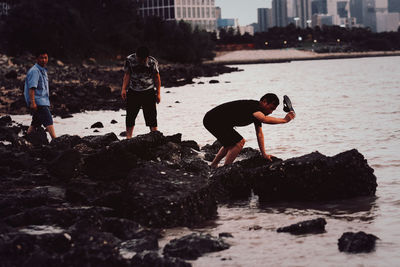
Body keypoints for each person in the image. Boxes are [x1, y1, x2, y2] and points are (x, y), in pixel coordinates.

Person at [203, 93, 295, 168]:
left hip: (215, 120)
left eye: (273, 110)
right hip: (213, 119)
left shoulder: (258, 112)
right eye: (271, 108)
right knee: (239, 142)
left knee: (230, 143)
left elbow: (259, 134)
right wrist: (284, 120)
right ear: (264, 102)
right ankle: (226, 169)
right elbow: (264, 119)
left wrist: (264, 154)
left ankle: (213, 166)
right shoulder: (254, 107)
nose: (271, 112)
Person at [121, 46, 161, 139]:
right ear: (136, 56)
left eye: (144, 59)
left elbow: (157, 77)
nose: (142, 61)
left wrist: (158, 93)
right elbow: (127, 74)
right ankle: (128, 137)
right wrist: (123, 89)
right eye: (140, 59)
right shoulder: (130, 60)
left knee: (151, 116)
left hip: (149, 91)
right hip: (133, 90)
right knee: (130, 115)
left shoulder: (152, 62)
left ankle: (155, 136)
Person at [24, 50, 56, 139]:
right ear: (37, 59)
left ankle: (26, 139)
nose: (44, 60)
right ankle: (55, 140)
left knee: (36, 122)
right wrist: (33, 102)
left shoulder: (43, 71)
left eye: (46, 58)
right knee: (48, 120)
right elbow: (32, 88)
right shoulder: (35, 71)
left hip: (43, 101)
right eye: (41, 58)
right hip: (38, 102)